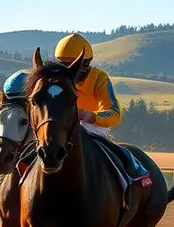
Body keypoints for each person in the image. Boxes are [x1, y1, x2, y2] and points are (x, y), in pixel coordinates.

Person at [49, 34, 144, 208]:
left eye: (72, 65)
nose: (68, 71)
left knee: (107, 153)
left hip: (92, 128)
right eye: (63, 65)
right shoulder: (51, 79)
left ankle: (129, 184)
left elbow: (113, 113)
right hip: (58, 126)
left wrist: (91, 116)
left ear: (85, 64)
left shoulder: (99, 78)